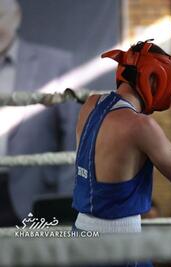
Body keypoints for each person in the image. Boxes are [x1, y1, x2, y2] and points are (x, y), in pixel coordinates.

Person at [71, 40, 171, 266]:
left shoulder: (91, 104)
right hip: (121, 243)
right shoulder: (140, 126)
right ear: (155, 79)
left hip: (80, 233)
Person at [0, 0, 78, 226]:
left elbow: (74, 135)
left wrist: (64, 201)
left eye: (1, 16)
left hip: (34, 195)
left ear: (16, 17)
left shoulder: (55, 64)